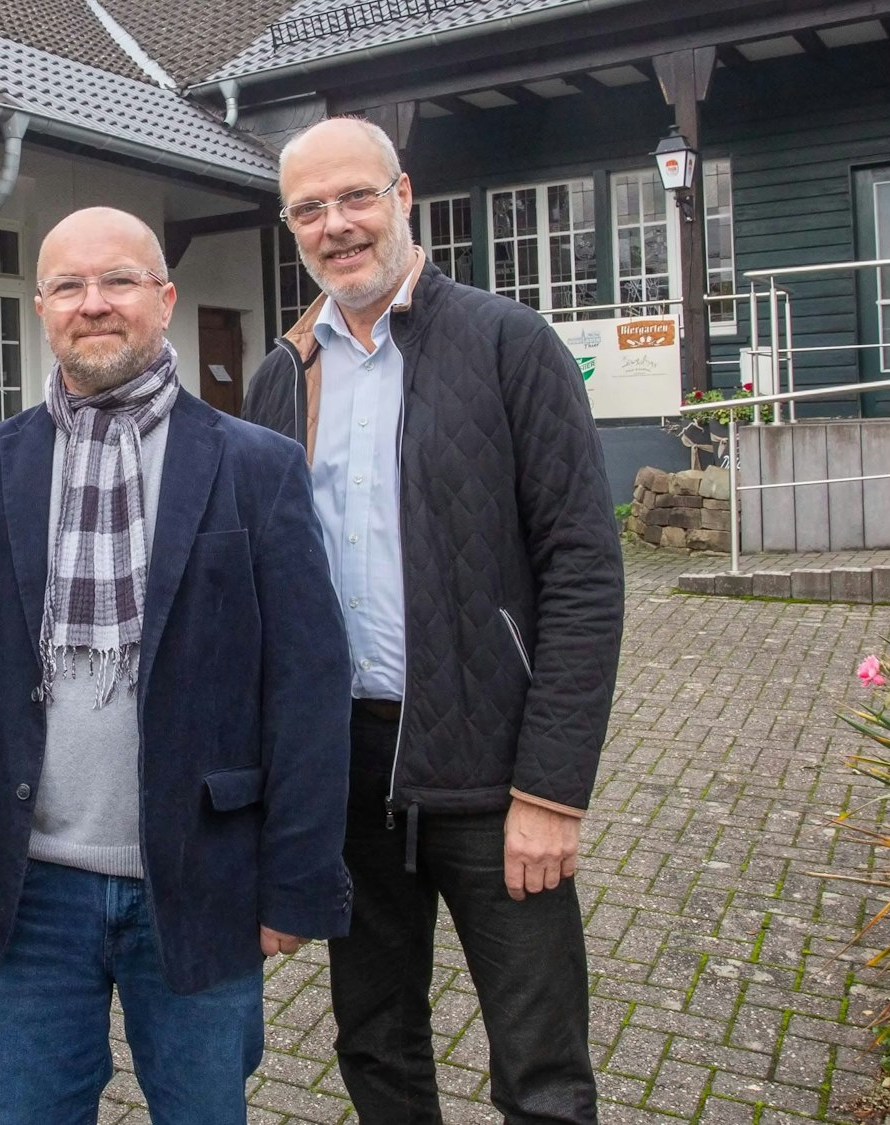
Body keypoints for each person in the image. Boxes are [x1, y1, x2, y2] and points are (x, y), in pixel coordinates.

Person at [0, 207, 352, 1125]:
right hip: (30, 886)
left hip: (200, 876)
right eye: (68, 285)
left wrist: (296, 880)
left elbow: (307, 688)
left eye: (119, 282)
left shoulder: (254, 467)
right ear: (42, 307)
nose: (92, 303)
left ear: (165, 298)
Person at [242, 118, 626, 1125]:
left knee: (539, 1069)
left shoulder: (508, 345)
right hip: (348, 775)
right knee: (373, 1044)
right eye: (308, 210)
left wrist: (552, 789)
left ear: (402, 195)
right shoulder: (281, 374)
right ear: (290, 227)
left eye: (355, 197)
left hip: (495, 774)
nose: (336, 226)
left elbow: (583, 572)